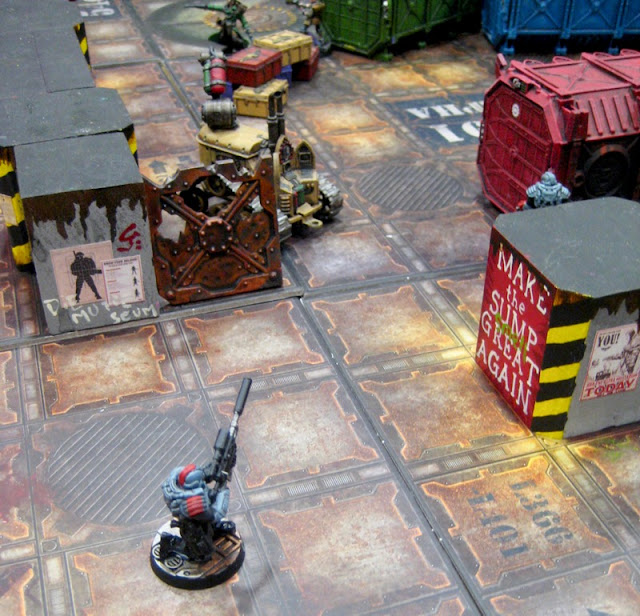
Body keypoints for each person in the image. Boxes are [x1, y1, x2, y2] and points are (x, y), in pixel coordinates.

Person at [159, 463, 235, 562]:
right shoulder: (192, 503)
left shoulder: (179, 478)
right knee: (202, 554)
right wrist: (223, 492)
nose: (203, 484)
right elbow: (215, 515)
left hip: (200, 520)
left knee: (208, 527)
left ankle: (212, 531)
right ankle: (170, 542)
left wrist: (217, 467)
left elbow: (205, 473)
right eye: (200, 482)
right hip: (193, 528)